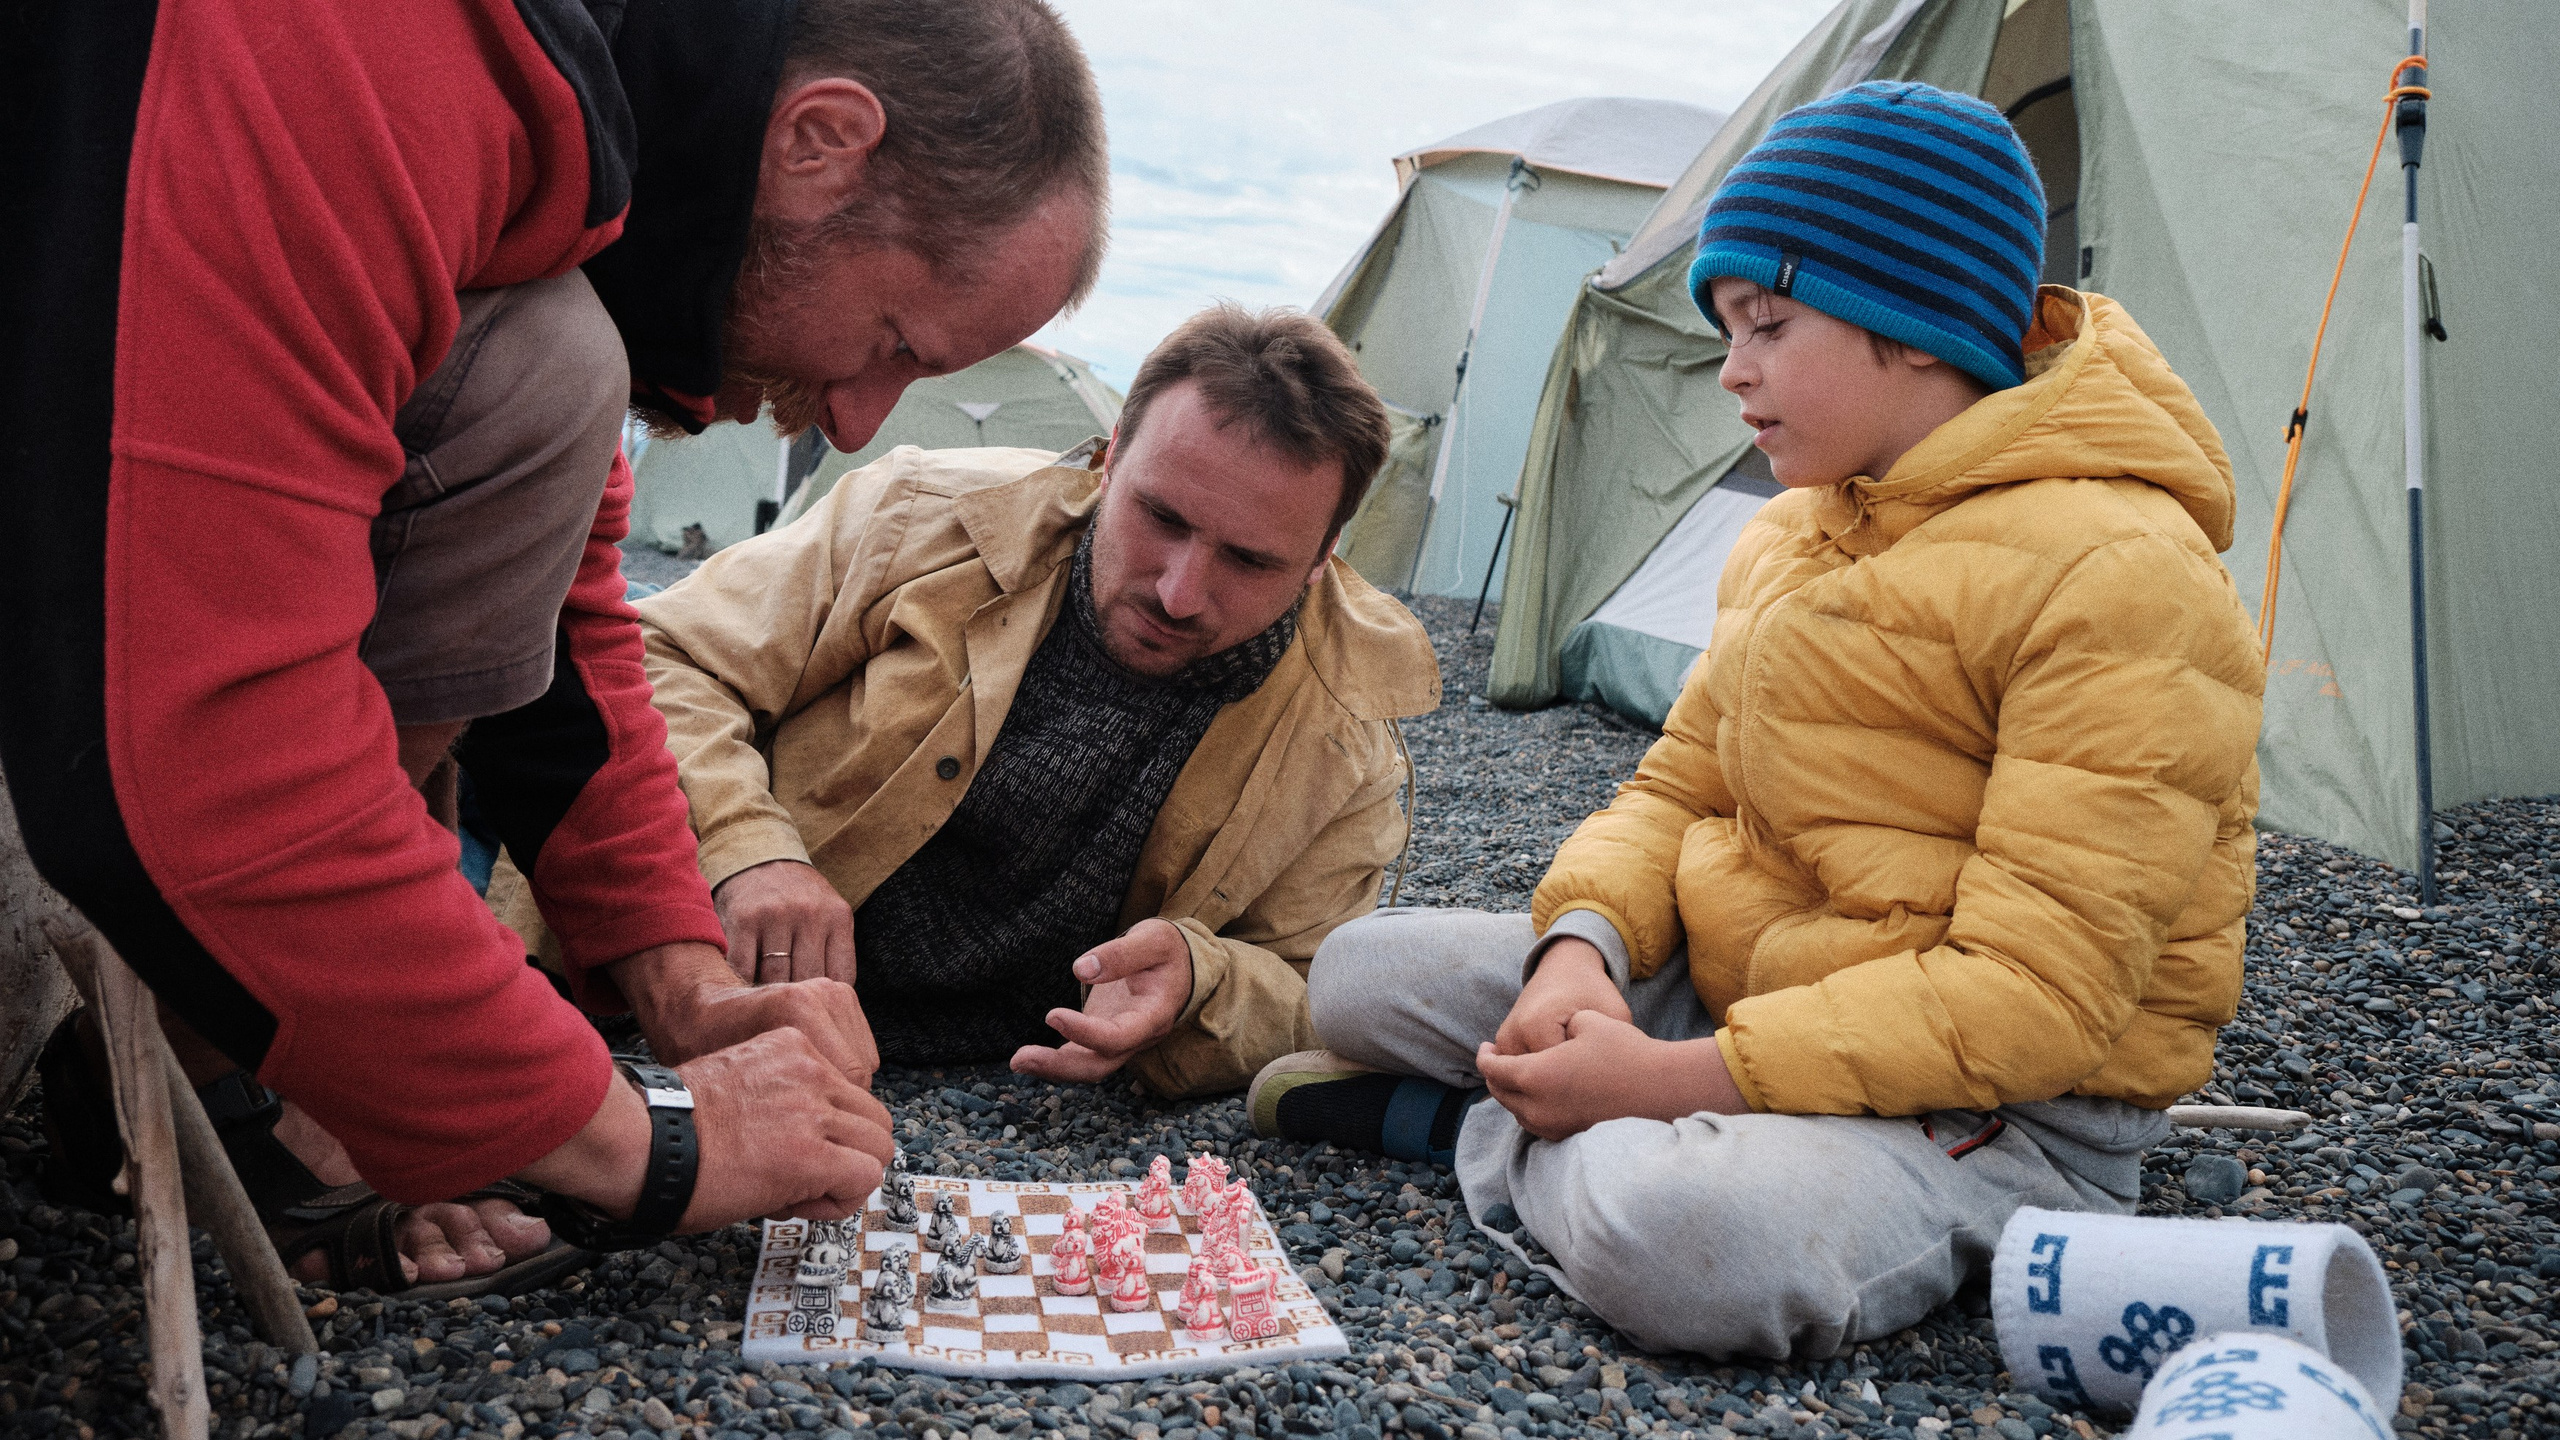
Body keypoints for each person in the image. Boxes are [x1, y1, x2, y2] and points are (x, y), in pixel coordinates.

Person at [0, 0, 1108, 1294]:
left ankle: (275, 1045)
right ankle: (253, 1069)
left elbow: (576, 649)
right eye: (893, 346)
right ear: (818, 140)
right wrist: (632, 1143)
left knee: (543, 372)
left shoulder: (545, 146)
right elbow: (180, 773)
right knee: (553, 371)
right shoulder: (361, 53)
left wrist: (683, 984)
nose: (860, 428)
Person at [1255, 82, 2264, 1359]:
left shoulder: (2123, 574)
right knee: (1357, 974)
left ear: (1912, 322)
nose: (1731, 370)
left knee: (1683, 1239)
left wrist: (1664, 1082)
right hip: (1755, 991)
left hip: (1996, 1102)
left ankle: (1488, 1126)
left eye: (1767, 324)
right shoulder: (1796, 531)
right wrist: (1581, 956)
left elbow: (2036, 996)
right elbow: (1676, 792)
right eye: (1729, 329)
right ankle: (1593, 1117)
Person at [627, 305, 1439, 1098]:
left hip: (1023, 1097)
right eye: (1160, 516)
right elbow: (662, 653)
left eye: (1250, 561)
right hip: (682, 1003)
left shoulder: (1348, 731)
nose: (1180, 593)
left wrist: (1203, 981)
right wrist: (747, 846)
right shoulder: (917, 516)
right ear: (1111, 458)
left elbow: (1314, 995)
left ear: (1321, 558)